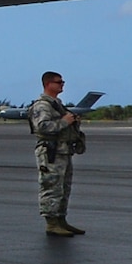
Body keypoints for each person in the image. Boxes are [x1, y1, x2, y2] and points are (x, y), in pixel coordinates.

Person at [27, 72, 85, 237]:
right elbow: (42, 127)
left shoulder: (56, 104)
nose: (62, 85)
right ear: (47, 84)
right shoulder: (42, 106)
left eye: (62, 82)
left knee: (63, 187)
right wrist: (65, 121)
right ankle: (51, 223)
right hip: (51, 152)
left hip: (63, 151)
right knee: (51, 187)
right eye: (58, 82)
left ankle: (61, 220)